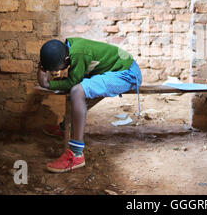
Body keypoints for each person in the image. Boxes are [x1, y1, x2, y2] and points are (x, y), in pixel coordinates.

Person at [37, 37, 142, 172]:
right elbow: (74, 77)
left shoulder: (78, 53)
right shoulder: (67, 48)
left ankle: (76, 154)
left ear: (66, 61)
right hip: (116, 69)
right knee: (77, 87)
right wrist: (43, 68)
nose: (54, 73)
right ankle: (66, 127)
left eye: (56, 69)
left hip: (127, 74)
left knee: (77, 91)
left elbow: (72, 82)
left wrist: (47, 84)